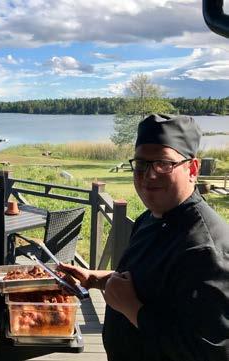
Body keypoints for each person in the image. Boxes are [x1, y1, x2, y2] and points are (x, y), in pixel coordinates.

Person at [58, 114, 229, 361]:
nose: (149, 175)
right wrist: (97, 279)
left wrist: (133, 311)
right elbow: (146, 282)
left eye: (163, 163)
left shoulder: (206, 249)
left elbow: (208, 352)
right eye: (141, 164)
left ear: (192, 169)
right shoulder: (149, 219)